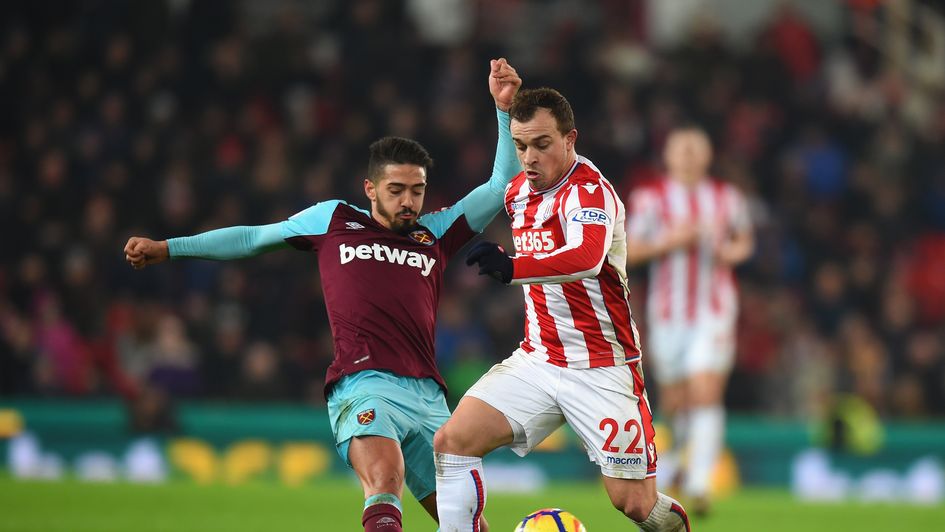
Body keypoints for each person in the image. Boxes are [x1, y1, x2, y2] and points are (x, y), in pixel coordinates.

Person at [123, 59, 522, 532]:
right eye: (396, 190)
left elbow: (500, 187)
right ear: (370, 188)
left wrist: (504, 109)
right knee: (384, 477)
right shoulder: (334, 221)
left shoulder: (435, 232)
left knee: (465, 523)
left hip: (429, 395)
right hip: (363, 382)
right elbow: (253, 238)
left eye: (417, 191)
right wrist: (170, 248)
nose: (409, 202)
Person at [433, 88, 691, 532]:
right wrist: (501, 106)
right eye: (521, 146)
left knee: (634, 503)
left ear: (570, 139)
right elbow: (504, 176)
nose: (529, 157)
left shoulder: (590, 193)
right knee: (453, 440)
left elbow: (587, 258)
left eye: (542, 144)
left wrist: (513, 267)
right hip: (539, 360)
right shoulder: (518, 193)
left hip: (603, 369)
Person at [625, 125, 754, 515]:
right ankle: (680, 460)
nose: (689, 156)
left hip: (713, 310)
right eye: (682, 149)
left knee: (705, 390)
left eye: (696, 149)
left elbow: (744, 241)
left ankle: (700, 484)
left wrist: (730, 253)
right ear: (668, 156)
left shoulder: (726, 197)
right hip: (668, 314)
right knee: (676, 400)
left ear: (708, 155)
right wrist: (670, 241)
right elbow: (628, 250)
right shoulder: (650, 198)